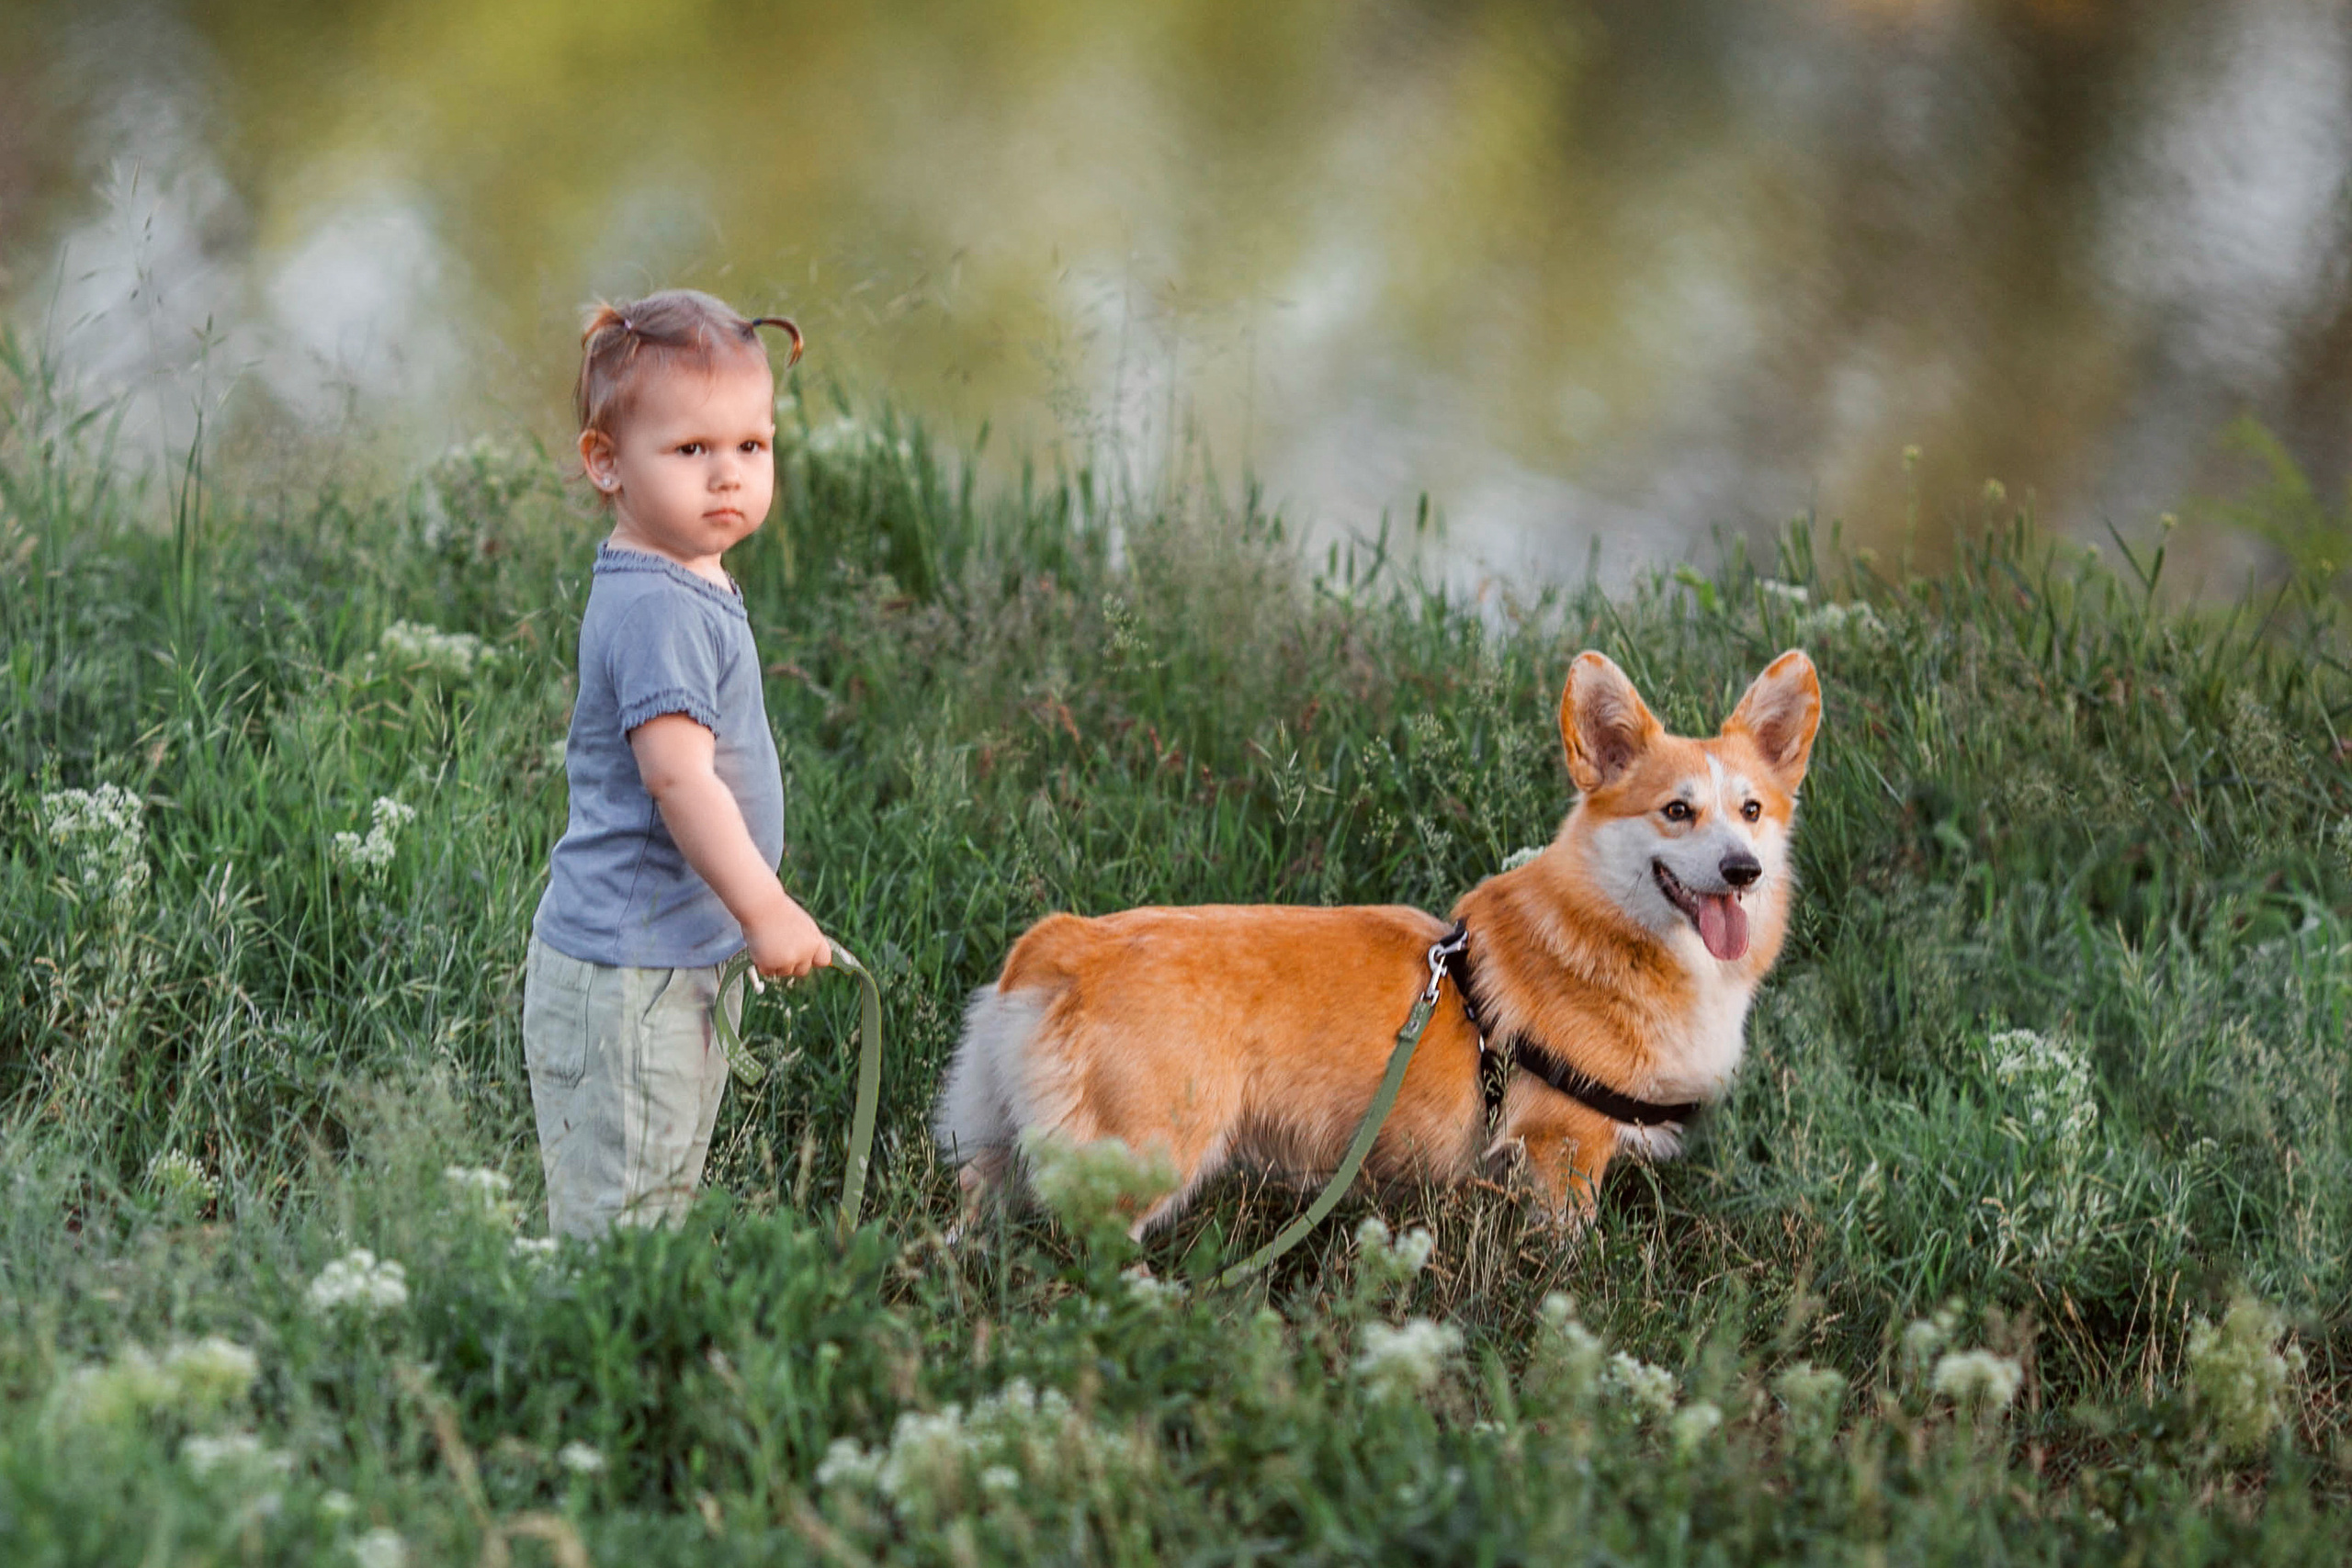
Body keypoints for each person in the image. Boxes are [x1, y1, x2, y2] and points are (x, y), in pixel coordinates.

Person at [522, 288, 830, 1239]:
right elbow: (679, 779)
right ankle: (592, 1371)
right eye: (691, 451)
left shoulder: (679, 573)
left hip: (666, 961)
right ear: (605, 464)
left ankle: (626, 1350)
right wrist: (765, 908)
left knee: (653, 1198)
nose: (727, 475)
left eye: (751, 446)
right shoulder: (659, 607)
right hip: (631, 981)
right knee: (621, 1224)